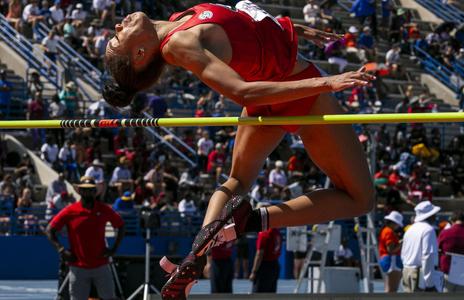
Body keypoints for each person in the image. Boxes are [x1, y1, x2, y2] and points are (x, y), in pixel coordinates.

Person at [103, 2, 375, 298]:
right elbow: (241, 90)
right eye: (118, 38)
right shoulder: (179, 43)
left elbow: (241, 31)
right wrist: (326, 83)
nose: (118, 26)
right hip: (295, 91)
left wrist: (290, 31)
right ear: (140, 54)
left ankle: (196, 255)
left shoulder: (177, 20)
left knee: (236, 182)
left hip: (268, 97)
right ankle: (251, 221)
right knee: (360, 199)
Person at [46, 177, 125, 300]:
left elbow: (121, 226)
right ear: (80, 191)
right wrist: (61, 249)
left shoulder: (104, 209)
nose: (88, 192)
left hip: (101, 265)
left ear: (95, 192)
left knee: (109, 297)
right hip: (78, 267)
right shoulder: (70, 211)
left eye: (91, 190)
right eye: (84, 190)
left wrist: (114, 249)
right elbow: (49, 230)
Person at [401, 201, 442, 292]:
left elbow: (403, 254)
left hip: (407, 271)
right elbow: (427, 256)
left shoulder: (410, 229)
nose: (435, 216)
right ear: (430, 215)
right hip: (420, 275)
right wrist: (429, 283)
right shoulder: (428, 229)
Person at [249, 206, 282, 293]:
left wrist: (254, 271)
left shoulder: (264, 233)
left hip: (265, 267)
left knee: (258, 295)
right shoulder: (276, 231)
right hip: (274, 265)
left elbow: (260, 253)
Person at [378, 210, 403, 293]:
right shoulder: (389, 232)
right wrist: (402, 243)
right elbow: (391, 250)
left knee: (389, 289)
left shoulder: (385, 230)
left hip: (387, 260)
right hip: (392, 261)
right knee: (392, 290)